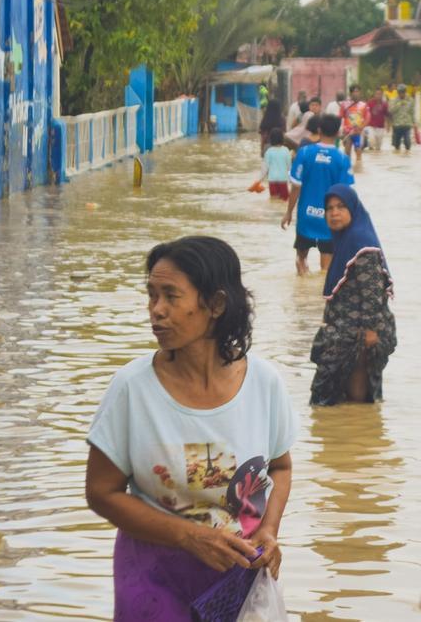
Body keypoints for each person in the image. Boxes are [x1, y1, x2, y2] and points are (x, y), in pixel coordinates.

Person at [86, 237, 297, 621]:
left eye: (171, 296)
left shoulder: (264, 383)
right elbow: (101, 492)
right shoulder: (132, 389)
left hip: (239, 575)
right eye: (151, 296)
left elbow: (280, 468)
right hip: (153, 575)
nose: (156, 311)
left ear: (215, 304)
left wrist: (268, 530)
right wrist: (187, 536)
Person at [310, 185, 397, 406]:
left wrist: (369, 333)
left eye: (341, 207)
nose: (334, 213)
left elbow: (373, 292)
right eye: (329, 208)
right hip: (343, 332)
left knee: (355, 399)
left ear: (353, 209)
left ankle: (359, 436)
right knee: (338, 397)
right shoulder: (346, 240)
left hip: (359, 336)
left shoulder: (361, 244)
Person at [282, 115, 355, 275]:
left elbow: (295, 187)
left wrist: (288, 212)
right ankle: (318, 298)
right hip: (330, 219)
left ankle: (301, 294)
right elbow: (345, 194)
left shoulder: (304, 153)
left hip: (305, 217)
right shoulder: (342, 159)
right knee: (326, 270)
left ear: (319, 130)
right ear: (338, 132)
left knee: (301, 260)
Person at [255, 128, 291, 200]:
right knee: (284, 200)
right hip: (283, 180)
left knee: (274, 199)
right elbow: (289, 167)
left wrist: (259, 181)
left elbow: (264, 169)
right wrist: (291, 180)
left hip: (272, 180)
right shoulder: (286, 150)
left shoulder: (269, 152)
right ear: (282, 138)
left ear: (271, 139)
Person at [341, 86, 367, 164]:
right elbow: (340, 117)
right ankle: (347, 167)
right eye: (354, 92)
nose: (356, 93)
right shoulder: (344, 105)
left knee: (358, 151)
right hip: (347, 132)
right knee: (347, 152)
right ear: (351, 93)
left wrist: (362, 127)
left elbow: (367, 118)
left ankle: (358, 166)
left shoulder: (363, 105)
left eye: (358, 91)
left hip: (358, 132)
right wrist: (341, 131)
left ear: (360, 93)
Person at [388, 84, 415, 152]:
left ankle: (407, 156)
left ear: (405, 92)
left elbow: (412, 112)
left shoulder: (410, 100)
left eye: (403, 92)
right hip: (397, 125)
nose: (401, 94)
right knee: (396, 145)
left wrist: (414, 123)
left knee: (408, 143)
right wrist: (399, 104)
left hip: (407, 125)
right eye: (400, 92)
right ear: (398, 92)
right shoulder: (394, 100)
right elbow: (391, 110)